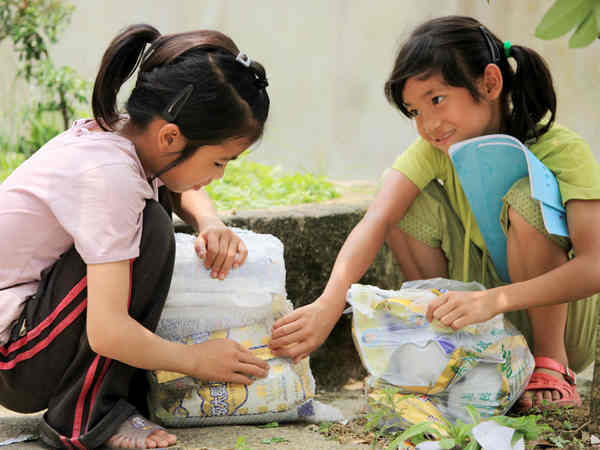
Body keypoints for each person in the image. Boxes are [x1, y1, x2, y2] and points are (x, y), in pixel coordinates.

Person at [270, 15, 600, 412]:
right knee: (399, 205)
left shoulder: (561, 149)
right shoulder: (438, 149)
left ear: (490, 84)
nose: (427, 124)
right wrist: (328, 303)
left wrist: (495, 300)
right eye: (414, 111)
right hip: (477, 315)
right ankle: (451, 348)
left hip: (559, 323)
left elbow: (595, 264)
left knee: (526, 196)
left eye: (436, 100)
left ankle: (551, 365)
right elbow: (376, 220)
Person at [0, 24, 271, 449]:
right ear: (170, 136)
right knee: (152, 231)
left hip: (28, 332)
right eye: (220, 162)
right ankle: (85, 419)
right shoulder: (109, 180)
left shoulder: (125, 136)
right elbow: (108, 331)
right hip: (14, 358)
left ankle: (110, 400)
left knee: (153, 219)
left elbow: (181, 183)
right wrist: (195, 361)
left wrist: (210, 223)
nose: (217, 177)